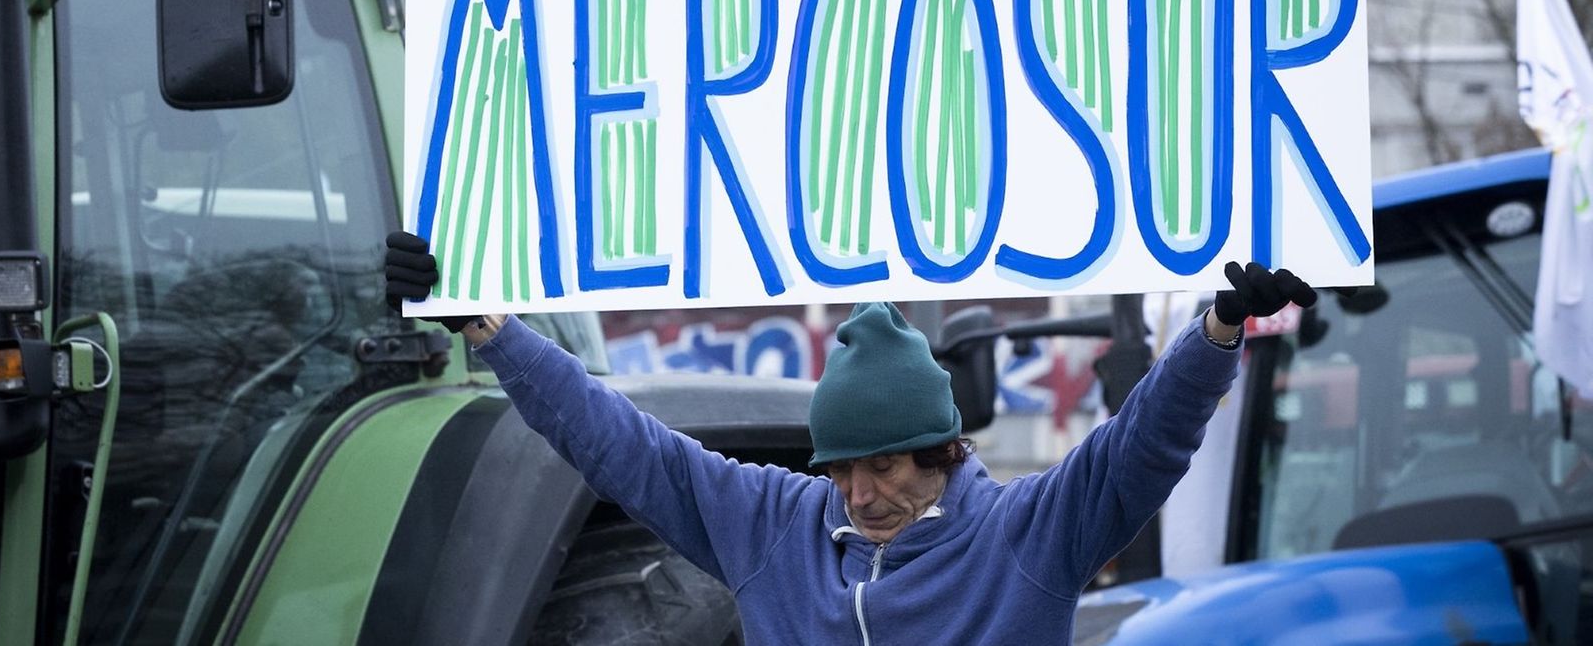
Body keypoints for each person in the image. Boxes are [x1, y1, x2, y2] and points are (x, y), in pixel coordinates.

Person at [384, 231, 1315, 644]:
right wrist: (492, 330)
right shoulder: (777, 530)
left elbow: (1142, 447)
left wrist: (1216, 332)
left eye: (883, 467)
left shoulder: (1029, 539)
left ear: (943, 451)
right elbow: (624, 445)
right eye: (841, 472)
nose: (860, 495)